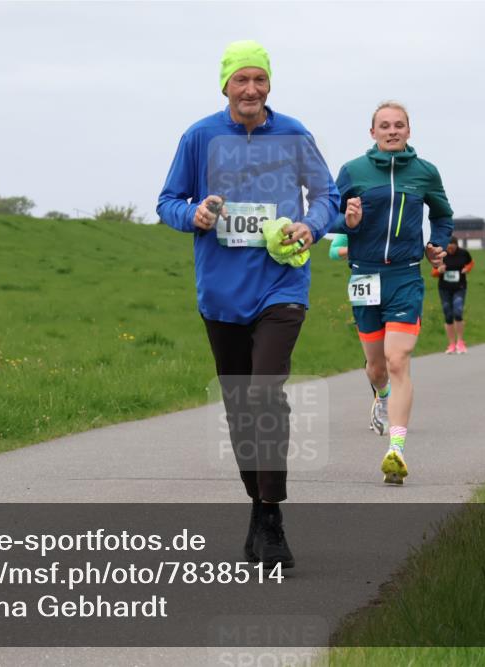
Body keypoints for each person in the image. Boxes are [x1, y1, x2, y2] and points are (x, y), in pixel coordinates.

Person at [157, 40, 339, 568]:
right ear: (225, 85)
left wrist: (312, 224)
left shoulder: (294, 134)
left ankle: (273, 515)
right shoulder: (199, 136)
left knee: (264, 395)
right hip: (221, 292)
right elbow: (168, 201)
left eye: (260, 79)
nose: (251, 89)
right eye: (242, 79)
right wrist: (193, 215)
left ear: (269, 85)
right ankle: (259, 510)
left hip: (282, 284)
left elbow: (326, 195)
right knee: (240, 407)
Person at [333, 100, 453, 484]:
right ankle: (381, 396)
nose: (392, 131)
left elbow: (443, 215)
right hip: (364, 275)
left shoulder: (424, 172)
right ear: (372, 132)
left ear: (408, 131)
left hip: (405, 276)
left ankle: (396, 450)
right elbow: (329, 214)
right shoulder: (353, 171)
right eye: (384, 126)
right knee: (377, 367)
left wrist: (437, 244)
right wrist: (347, 220)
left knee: (398, 359)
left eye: (399, 125)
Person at [432, 236, 474, 354]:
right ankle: (451, 344)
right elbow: (433, 272)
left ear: (457, 245)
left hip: (459, 287)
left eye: (453, 248)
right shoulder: (441, 255)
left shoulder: (463, 253)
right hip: (444, 288)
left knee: (458, 312)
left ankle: (460, 342)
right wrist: (439, 271)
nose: (450, 250)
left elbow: (471, 263)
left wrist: (467, 269)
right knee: (448, 315)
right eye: (448, 248)